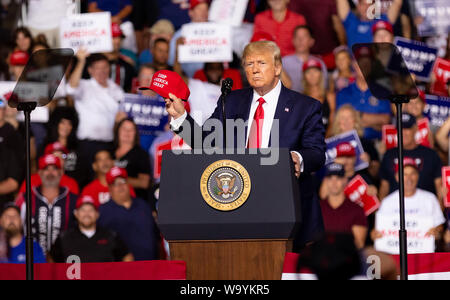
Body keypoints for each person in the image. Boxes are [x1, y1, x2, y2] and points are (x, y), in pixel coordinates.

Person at [164, 41, 326, 249]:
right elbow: (204, 142)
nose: (254, 69)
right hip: (239, 207)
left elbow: (317, 152)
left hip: (287, 208)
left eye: (261, 63)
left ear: (277, 67)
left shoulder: (305, 107)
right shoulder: (230, 101)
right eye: (249, 64)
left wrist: (297, 158)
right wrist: (180, 117)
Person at [66, 50, 125, 188]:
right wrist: (80, 61)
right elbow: (70, 89)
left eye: (105, 67)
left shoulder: (116, 89)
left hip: (109, 145)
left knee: (107, 184)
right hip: (87, 145)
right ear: (90, 70)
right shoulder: (84, 85)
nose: (102, 71)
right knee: (82, 182)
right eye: (98, 68)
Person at [372, 158, 445, 249]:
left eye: (413, 174)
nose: (409, 178)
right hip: (394, 256)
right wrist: (375, 234)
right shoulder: (387, 202)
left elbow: (439, 226)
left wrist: (437, 232)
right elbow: (379, 230)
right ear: (397, 177)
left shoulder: (430, 199)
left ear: (418, 176)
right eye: (404, 174)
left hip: (422, 254)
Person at [15, 154, 78, 254]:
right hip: (32, 259)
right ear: (39, 173)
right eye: (46, 169)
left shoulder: (73, 199)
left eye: (54, 169)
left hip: (64, 260)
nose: (50, 173)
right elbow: (13, 226)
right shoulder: (25, 198)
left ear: (61, 172)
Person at [49, 195, 133, 263]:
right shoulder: (64, 237)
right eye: (83, 210)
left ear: (97, 214)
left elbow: (127, 257)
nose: (87, 214)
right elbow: (50, 259)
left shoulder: (110, 235)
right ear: (76, 214)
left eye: (91, 210)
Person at [379, 113, 443, 202]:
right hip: (395, 208)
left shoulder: (430, 154)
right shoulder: (389, 155)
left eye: (407, 128)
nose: (403, 133)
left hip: (425, 209)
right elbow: (384, 187)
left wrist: (438, 212)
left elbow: (440, 188)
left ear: (416, 129)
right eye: (400, 129)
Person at [98, 167, 158, 260]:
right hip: (120, 268)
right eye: (115, 183)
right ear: (110, 188)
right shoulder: (103, 211)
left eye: (123, 181)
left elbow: (155, 234)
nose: (120, 186)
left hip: (149, 264)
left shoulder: (143, 205)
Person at [336, 47, 391, 140]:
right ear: (354, 65)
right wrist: (375, 121)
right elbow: (340, 123)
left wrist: (356, 117)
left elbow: (385, 120)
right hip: (349, 142)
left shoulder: (383, 92)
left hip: (376, 143)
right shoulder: (343, 93)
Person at [320, 163, 367, 249]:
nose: (334, 182)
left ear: (345, 180)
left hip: (346, 260)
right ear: (325, 181)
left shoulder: (356, 209)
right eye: (330, 178)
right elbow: (311, 240)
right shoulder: (318, 208)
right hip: (321, 259)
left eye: (338, 178)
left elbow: (359, 244)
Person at [288, 0, 346, 69]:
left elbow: (338, 27)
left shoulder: (328, 2)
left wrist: (342, 47)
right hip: (305, 56)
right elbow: (338, 27)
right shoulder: (294, 2)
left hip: (328, 54)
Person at [282, 25, 328, 93]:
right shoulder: (283, 62)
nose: (300, 40)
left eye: (304, 37)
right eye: (297, 37)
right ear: (293, 41)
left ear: (311, 41)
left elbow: (324, 88)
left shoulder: (319, 63)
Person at [168, 0, 209, 78]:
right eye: (199, 9)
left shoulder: (217, 31)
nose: (204, 12)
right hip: (188, 80)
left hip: (213, 80)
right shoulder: (180, 34)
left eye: (206, 9)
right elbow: (171, 61)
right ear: (190, 12)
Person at [336, 0, 403, 47]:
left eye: (369, 5)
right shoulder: (351, 21)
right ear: (358, 6)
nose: (366, 8)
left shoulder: (383, 21)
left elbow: (397, 3)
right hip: (354, 65)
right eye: (363, 4)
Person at [113, 118, 151, 201]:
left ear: (135, 133)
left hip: (134, 200)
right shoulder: (109, 151)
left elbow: (144, 183)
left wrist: (116, 180)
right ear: (118, 131)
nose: (127, 132)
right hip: (110, 199)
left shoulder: (141, 154)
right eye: (124, 129)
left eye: (131, 130)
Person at [42, 107, 80, 181]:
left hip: (71, 185)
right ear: (56, 124)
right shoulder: (45, 146)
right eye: (62, 122)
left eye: (69, 123)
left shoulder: (77, 148)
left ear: (73, 127)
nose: (66, 127)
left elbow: (80, 173)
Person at [302, 57, 335, 131]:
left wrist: (326, 139)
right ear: (304, 76)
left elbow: (332, 123)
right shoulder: (300, 98)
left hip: (328, 139)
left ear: (320, 74)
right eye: (308, 72)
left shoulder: (330, 96)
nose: (312, 75)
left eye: (315, 71)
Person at [105, 23, 137, 93]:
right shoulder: (93, 61)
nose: (117, 41)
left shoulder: (127, 64)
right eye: (113, 37)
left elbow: (131, 91)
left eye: (119, 37)